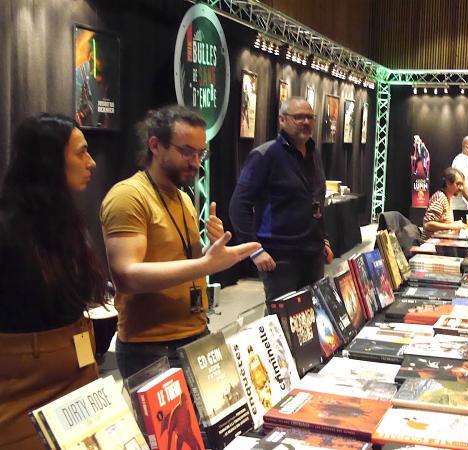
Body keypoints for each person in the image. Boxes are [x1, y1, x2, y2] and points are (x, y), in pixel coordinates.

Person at [100, 105, 259, 379]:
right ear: (155, 145)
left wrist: (214, 249)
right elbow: (126, 275)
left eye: (201, 153)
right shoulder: (129, 196)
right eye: (186, 151)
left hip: (195, 334)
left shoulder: (183, 198)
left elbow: (186, 265)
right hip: (151, 347)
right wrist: (206, 264)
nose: (196, 161)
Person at [0, 113, 106, 449]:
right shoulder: (6, 229)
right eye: (81, 153)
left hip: (76, 375)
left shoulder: (64, 222)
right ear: (48, 160)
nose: (91, 163)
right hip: (21, 389)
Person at [229, 97, 333, 303]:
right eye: (298, 117)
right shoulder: (265, 155)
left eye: (310, 117)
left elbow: (317, 201)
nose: (305, 122)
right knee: (283, 323)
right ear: (282, 120)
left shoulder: (314, 154)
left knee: (311, 320)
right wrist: (254, 249)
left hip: (313, 255)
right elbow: (238, 206)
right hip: (280, 259)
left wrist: (324, 239)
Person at [421, 167, 467, 240]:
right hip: (431, 245)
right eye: (458, 184)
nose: (461, 188)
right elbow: (427, 224)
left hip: (441, 242)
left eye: (462, 184)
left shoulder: (449, 198)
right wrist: (452, 226)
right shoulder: (440, 198)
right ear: (448, 183)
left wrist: (454, 224)